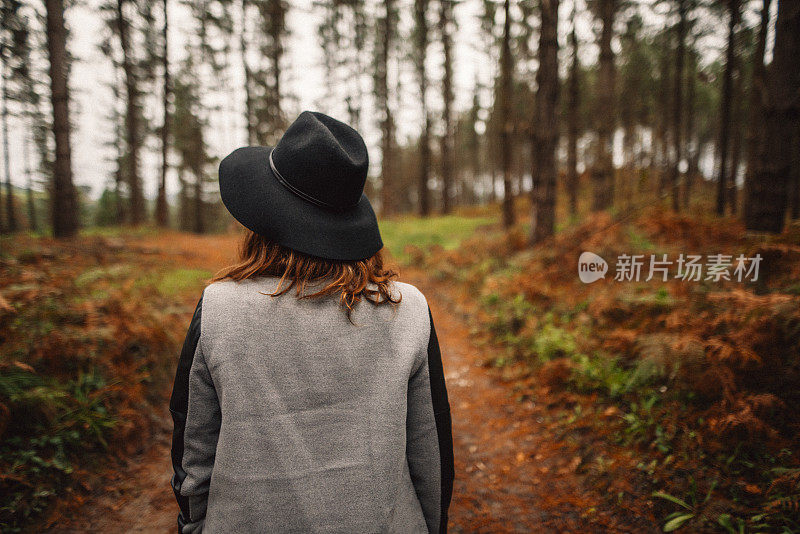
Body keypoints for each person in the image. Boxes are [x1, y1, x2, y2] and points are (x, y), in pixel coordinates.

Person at [169, 111, 454, 533]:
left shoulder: (219, 309)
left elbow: (193, 451)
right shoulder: (406, 309)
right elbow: (431, 452)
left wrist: (195, 527)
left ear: (263, 216)